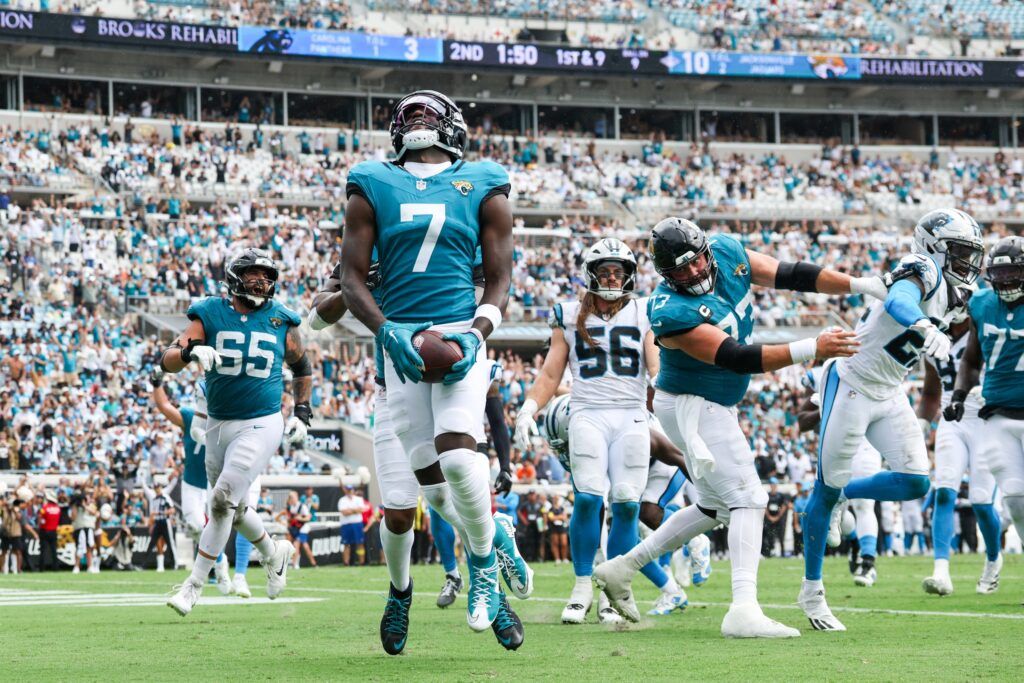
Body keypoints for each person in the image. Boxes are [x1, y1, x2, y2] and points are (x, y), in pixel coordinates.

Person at [594, 216, 884, 638]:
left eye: (697, 260)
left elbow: (791, 274)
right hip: (692, 404)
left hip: (712, 403)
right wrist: (813, 347)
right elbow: (736, 356)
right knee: (749, 498)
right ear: (666, 275)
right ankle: (743, 609)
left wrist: (859, 284)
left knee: (714, 506)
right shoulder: (669, 309)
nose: (695, 271)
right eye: (681, 269)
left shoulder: (727, 252)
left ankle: (622, 567)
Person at [337, 90, 529, 653]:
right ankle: (470, 552)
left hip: (457, 338)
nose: (420, 119)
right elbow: (348, 280)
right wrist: (386, 331)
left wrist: (477, 331)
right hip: (400, 350)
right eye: (411, 112)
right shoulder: (372, 181)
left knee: (459, 456)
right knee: (432, 496)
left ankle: (485, 568)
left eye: (429, 112)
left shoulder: (483, 181)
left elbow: (499, 278)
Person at [800, 208, 984, 632]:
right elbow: (900, 300)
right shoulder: (921, 268)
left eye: (970, 253)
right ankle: (812, 593)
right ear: (934, 248)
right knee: (823, 488)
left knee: (916, 481)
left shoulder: (959, 295)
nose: (966, 261)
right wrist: (923, 325)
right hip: (851, 382)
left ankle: (843, 495)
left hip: (889, 390)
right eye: (958, 251)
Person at [514, 238, 679, 623]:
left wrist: (670, 392)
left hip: (632, 415)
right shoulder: (569, 314)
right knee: (589, 497)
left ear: (629, 276)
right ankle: (582, 585)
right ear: (591, 275)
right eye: (604, 271)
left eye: (618, 272)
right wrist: (528, 408)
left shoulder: (643, 312)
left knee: (626, 503)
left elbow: (656, 367)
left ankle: (613, 588)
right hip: (587, 412)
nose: (611, 278)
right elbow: (551, 373)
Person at [164, 248, 307, 616]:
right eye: (253, 273)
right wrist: (190, 354)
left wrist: (302, 412)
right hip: (218, 423)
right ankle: (274, 554)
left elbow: (302, 367)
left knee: (220, 501)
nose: (261, 281)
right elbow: (168, 359)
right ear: (235, 278)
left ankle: (194, 585)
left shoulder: (281, 319)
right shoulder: (211, 312)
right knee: (236, 508)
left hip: (262, 421)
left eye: (267, 275)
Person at [536, 391, 711, 621]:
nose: (563, 451)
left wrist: (709, 496)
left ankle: (695, 539)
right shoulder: (592, 436)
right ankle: (671, 590)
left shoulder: (627, 430)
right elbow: (593, 504)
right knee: (622, 533)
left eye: (566, 443)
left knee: (646, 512)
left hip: (662, 463)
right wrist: (598, 553)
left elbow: (676, 455)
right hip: (635, 468)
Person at [945, 235, 1024, 596]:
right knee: (1015, 497)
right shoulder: (981, 303)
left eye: (1013, 272)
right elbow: (971, 359)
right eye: (1000, 273)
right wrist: (959, 395)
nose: (1005, 280)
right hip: (997, 414)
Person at [917, 305, 1002, 596]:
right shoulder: (934, 337)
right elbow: (931, 393)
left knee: (981, 501)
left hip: (985, 419)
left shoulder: (986, 331)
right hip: (951, 419)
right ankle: (941, 571)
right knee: (944, 491)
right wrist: (921, 424)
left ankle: (993, 558)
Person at [796, 369, 883, 586]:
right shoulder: (820, 374)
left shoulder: (872, 365)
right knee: (836, 511)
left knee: (864, 505)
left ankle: (868, 563)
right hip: (834, 447)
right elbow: (802, 422)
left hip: (865, 445)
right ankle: (854, 543)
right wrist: (826, 408)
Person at [151, 373, 230, 592]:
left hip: (214, 482)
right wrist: (157, 383)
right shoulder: (189, 416)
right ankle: (220, 560)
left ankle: (219, 568)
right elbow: (164, 406)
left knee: (217, 526)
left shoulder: (224, 419)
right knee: (196, 526)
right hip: (192, 482)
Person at [144, 470, 179, 573]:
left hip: (165, 522)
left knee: (170, 543)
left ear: (160, 487)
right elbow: (152, 514)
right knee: (152, 543)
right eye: (155, 488)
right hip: (157, 523)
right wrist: (152, 523)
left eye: (158, 487)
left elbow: (172, 510)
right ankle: (143, 564)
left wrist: (162, 513)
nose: (157, 489)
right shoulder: (154, 499)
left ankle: (175, 564)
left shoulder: (165, 497)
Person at [279, 490, 316, 569]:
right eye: (290, 497)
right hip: (295, 529)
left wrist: (300, 518)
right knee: (300, 546)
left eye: (292, 497)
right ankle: (310, 564)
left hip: (303, 529)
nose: (291, 499)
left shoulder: (302, 506)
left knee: (298, 545)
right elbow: (284, 517)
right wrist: (286, 522)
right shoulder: (290, 507)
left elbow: (308, 518)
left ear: (296, 497)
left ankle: (296, 564)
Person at [338, 485, 365, 567]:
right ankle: (346, 563)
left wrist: (350, 510)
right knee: (346, 544)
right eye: (348, 490)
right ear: (345, 491)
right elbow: (344, 512)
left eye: (350, 490)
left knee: (360, 543)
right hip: (346, 524)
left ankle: (362, 563)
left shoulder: (359, 499)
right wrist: (355, 510)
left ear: (353, 490)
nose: (349, 491)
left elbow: (361, 510)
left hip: (357, 524)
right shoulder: (342, 500)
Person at [38, 489, 61, 571]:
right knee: (54, 550)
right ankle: (55, 568)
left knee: (43, 550)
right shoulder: (58, 508)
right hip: (53, 531)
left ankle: (41, 568)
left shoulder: (44, 508)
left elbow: (40, 517)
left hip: (44, 530)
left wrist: (40, 525)